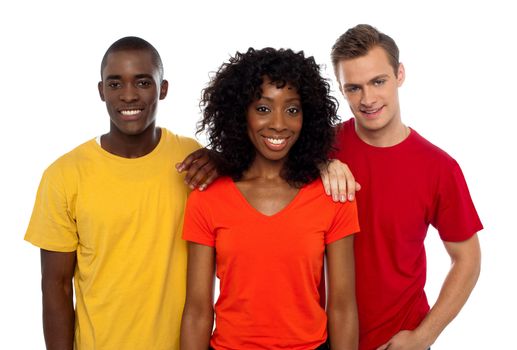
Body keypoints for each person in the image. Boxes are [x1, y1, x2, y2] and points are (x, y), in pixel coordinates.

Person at [24, 36, 215, 350]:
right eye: (115, 84)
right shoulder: (63, 175)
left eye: (142, 82)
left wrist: (221, 159)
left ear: (163, 89)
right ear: (101, 91)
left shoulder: (193, 161)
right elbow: (55, 286)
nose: (128, 95)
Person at [180, 47, 360, 350]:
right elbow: (198, 311)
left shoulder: (332, 195)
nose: (279, 124)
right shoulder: (207, 198)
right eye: (263, 108)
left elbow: (342, 308)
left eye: (292, 109)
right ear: (241, 114)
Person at [328, 24, 483, 350]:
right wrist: (319, 162)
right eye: (353, 88)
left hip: (396, 341)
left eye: (378, 82)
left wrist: (423, 337)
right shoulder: (321, 147)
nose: (367, 99)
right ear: (341, 89)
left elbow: (467, 259)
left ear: (400, 74)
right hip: (321, 338)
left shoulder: (439, 167)